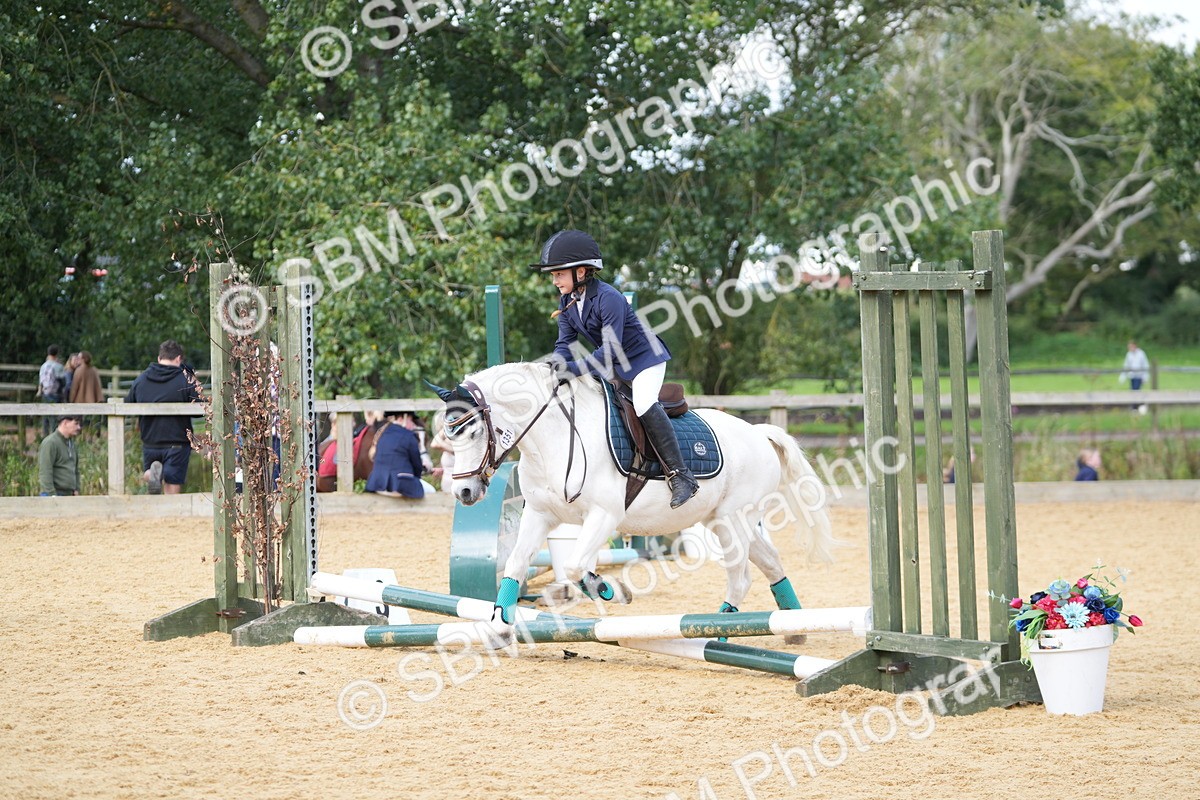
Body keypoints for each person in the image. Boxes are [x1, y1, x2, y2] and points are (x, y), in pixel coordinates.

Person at [532, 229, 698, 508]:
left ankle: (681, 475)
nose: (554, 280)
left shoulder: (609, 298)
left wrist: (572, 369)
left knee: (644, 403)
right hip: (614, 364)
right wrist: (558, 365)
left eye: (559, 274)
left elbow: (608, 352)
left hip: (645, 360)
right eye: (553, 274)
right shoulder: (568, 302)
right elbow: (564, 343)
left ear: (581, 272)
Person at [125, 340, 202, 494]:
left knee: (154, 481)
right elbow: (199, 410)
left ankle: (149, 474)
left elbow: (127, 406)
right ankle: (171, 515)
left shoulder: (141, 380)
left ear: (159, 358)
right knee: (172, 484)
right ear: (179, 359)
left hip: (150, 441)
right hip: (177, 442)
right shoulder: (185, 379)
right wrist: (196, 384)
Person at [365, 411, 436, 499]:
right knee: (432, 490)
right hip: (400, 484)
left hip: (377, 483)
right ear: (401, 418)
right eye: (411, 420)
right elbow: (416, 467)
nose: (413, 425)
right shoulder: (409, 436)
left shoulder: (382, 434)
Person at [37, 414, 82, 496]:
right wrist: (52, 495)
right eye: (76, 424)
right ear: (65, 423)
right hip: (55, 495)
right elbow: (45, 471)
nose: (79, 427)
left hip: (69, 495)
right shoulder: (50, 443)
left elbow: (76, 469)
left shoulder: (72, 444)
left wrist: (77, 489)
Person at [36, 345, 67, 435]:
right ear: (57, 354)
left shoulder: (43, 366)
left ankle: (45, 435)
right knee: (55, 418)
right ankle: (54, 436)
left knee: (45, 417)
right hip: (55, 394)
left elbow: (41, 381)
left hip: (45, 393)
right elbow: (63, 381)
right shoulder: (58, 366)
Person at [68, 351, 104, 426]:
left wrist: (71, 400)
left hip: (80, 401)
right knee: (92, 422)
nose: (78, 359)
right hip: (93, 400)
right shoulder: (94, 370)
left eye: (79, 358)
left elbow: (74, 387)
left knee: (79, 422)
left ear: (83, 359)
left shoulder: (79, 371)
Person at [1120, 340, 1150, 413]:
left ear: (1135, 346)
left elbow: (1145, 365)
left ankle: (1135, 407)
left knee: (1136, 390)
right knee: (1133, 390)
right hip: (1132, 376)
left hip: (1139, 376)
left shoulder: (1141, 354)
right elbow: (1126, 365)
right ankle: (1137, 406)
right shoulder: (1129, 354)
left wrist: (1145, 376)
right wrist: (1123, 376)